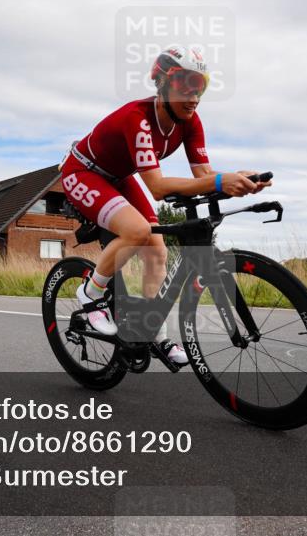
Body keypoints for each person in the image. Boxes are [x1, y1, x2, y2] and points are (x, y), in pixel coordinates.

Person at [60, 46, 270, 364]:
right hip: (83, 172)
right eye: (185, 84)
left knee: (157, 249)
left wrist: (238, 178)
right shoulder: (138, 119)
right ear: (162, 83)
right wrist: (218, 182)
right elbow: (157, 187)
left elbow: (203, 174)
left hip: (119, 176)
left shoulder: (191, 122)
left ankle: (152, 330)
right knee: (137, 230)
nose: (193, 95)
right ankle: (90, 294)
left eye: (200, 85)